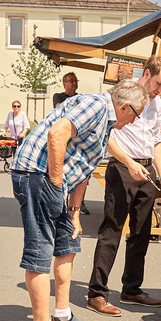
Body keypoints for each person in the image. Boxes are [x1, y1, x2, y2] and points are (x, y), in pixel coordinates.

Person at [11, 79, 148, 321]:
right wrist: (56, 182)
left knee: (67, 246)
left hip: (52, 181)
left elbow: (84, 166)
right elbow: (57, 134)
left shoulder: (106, 123)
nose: (134, 122)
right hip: (38, 176)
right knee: (39, 252)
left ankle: (61, 316)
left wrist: (74, 211)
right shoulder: (96, 105)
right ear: (125, 106)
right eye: (136, 115)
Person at [87, 55, 161, 317]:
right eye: (159, 83)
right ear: (146, 74)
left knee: (142, 232)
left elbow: (156, 141)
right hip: (123, 167)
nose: (160, 90)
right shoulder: (121, 95)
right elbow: (106, 136)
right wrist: (127, 161)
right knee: (111, 231)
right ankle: (97, 293)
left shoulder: (157, 103)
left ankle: (132, 289)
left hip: (146, 170)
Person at [53, 72, 92, 214]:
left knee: (83, 174)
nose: (74, 83)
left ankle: (80, 202)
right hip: (64, 141)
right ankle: (62, 202)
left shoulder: (80, 98)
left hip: (78, 141)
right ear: (65, 83)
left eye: (76, 81)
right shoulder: (59, 96)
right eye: (71, 81)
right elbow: (61, 110)